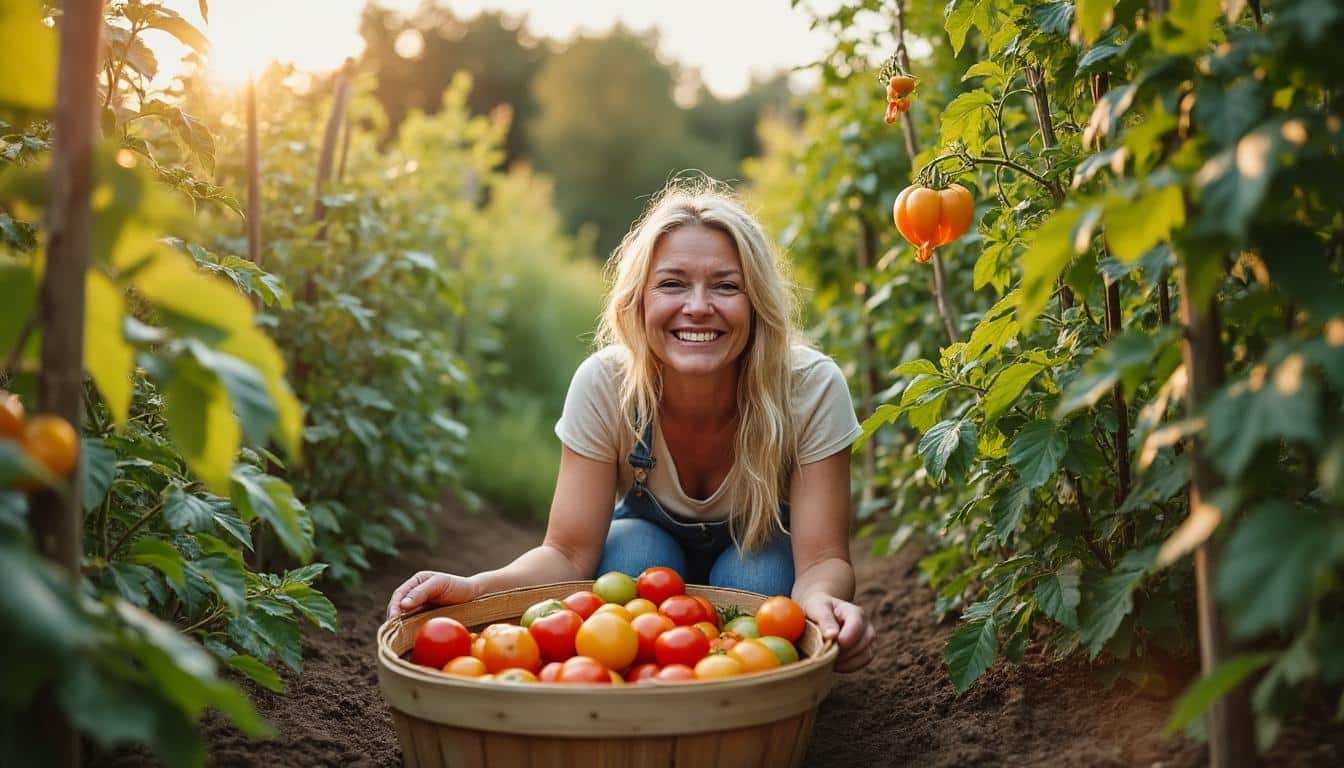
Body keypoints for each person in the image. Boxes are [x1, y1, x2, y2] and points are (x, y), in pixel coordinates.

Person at [388, 179, 875, 673]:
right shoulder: (607, 384)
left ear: (757, 302)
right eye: (672, 284)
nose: (698, 306)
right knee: (629, 557)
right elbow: (568, 552)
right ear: (638, 299)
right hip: (646, 549)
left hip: (758, 548)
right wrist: (476, 589)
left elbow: (822, 560)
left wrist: (821, 602)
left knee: (760, 583)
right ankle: (635, 690)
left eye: (726, 285)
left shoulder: (809, 387)